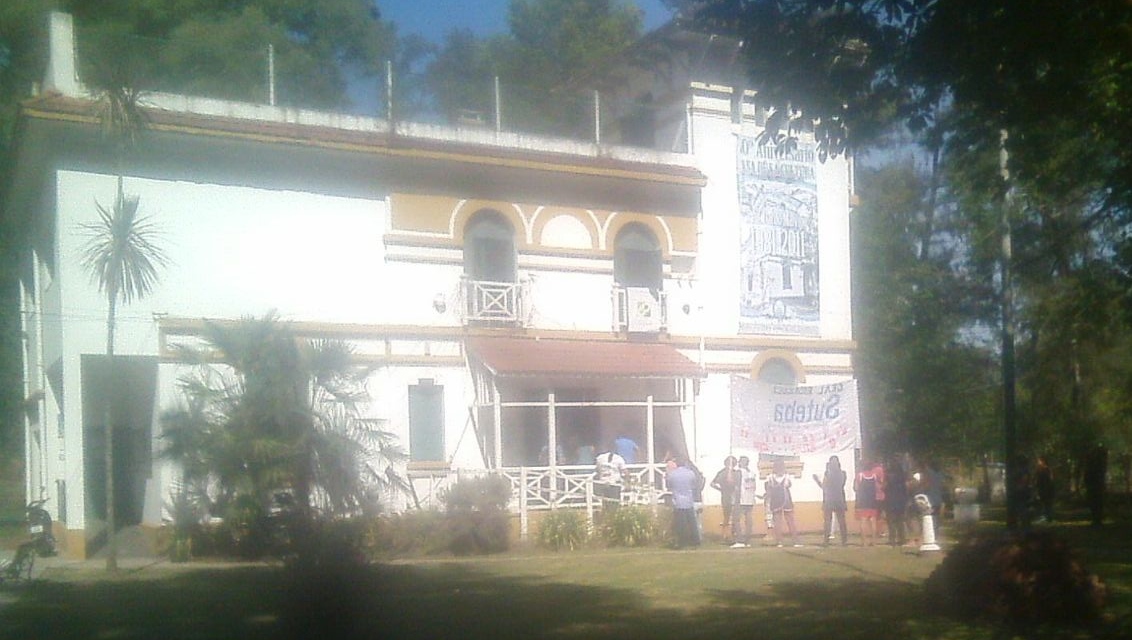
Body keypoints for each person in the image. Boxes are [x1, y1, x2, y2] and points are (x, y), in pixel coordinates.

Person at [665, 457, 701, 548]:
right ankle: (695, 540)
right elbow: (694, 485)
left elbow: (669, 485)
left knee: (680, 523)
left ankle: (681, 541)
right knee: (692, 522)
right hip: (689, 499)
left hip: (678, 500)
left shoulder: (672, 474)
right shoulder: (690, 473)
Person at [813, 455, 848, 546]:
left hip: (829, 499)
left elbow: (824, 486)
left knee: (828, 521)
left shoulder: (827, 474)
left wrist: (817, 480)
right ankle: (844, 541)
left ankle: (826, 541)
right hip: (840, 498)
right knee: (841, 521)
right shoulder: (843, 473)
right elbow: (842, 484)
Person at [765, 459, 800, 547]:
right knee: (778, 522)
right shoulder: (771, 477)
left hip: (786, 500)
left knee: (790, 521)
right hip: (776, 500)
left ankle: (795, 540)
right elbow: (768, 488)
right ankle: (779, 541)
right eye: (778, 466)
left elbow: (789, 485)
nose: (780, 468)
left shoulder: (786, 477)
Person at [730, 456, 757, 548]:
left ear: (740, 463)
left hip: (741, 499)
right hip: (750, 498)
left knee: (736, 520)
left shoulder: (738, 472)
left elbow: (732, 483)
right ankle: (747, 540)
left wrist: (730, 470)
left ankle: (739, 540)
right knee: (748, 520)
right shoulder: (752, 473)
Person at [711, 456, 739, 540]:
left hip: (728, 495)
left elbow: (712, 484)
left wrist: (721, 490)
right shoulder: (729, 473)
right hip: (728, 495)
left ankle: (728, 533)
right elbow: (712, 483)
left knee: (729, 515)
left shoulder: (724, 472)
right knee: (729, 515)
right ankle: (727, 533)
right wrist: (721, 490)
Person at [884, 456, 910, 547]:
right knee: (900, 521)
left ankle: (892, 540)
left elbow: (885, 486)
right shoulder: (903, 475)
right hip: (901, 499)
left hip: (890, 499)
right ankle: (902, 539)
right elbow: (906, 487)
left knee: (891, 521)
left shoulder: (888, 475)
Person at [854, 461, 880, 546]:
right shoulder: (874, 475)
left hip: (863, 501)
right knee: (873, 521)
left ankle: (864, 542)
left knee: (863, 520)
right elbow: (877, 487)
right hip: (872, 500)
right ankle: (874, 541)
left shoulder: (860, 475)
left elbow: (856, 487)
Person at [1084, 442, 1108, 527]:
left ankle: (1097, 520)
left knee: (1095, 503)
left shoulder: (1095, 464)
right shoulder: (1099, 463)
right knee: (1096, 503)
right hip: (1096, 485)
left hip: (1094, 486)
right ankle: (1097, 520)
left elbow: (1089, 474)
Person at [1034, 455, 1054, 523]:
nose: (1038, 462)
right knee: (1046, 503)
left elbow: (1038, 480)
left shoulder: (1043, 469)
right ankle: (1047, 517)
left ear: (1042, 461)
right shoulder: (1046, 469)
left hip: (1044, 488)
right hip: (1046, 488)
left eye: (1039, 461)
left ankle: (1046, 517)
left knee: (1044, 503)